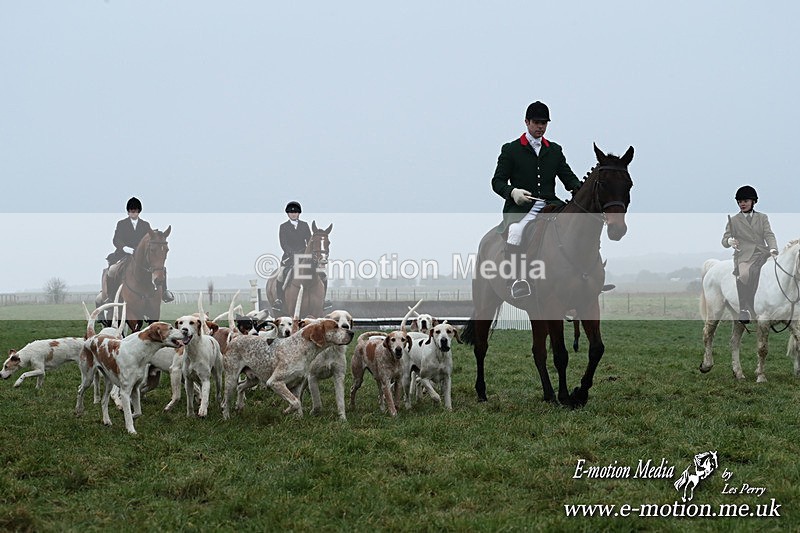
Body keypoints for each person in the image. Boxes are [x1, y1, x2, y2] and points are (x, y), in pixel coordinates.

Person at [491, 101, 582, 298]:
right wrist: (513, 192)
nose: (541, 126)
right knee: (516, 231)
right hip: (521, 207)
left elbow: (568, 178)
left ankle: (582, 275)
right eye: (536, 122)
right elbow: (497, 181)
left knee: (576, 226)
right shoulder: (511, 149)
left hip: (550, 204)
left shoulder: (555, 150)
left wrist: (582, 189)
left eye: (544, 123)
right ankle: (517, 279)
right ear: (527, 122)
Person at [722, 185, 778, 324]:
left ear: (753, 201)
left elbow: (768, 234)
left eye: (745, 201)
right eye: (740, 201)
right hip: (745, 256)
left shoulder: (762, 217)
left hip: (762, 253)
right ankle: (744, 309)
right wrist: (730, 241)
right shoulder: (734, 220)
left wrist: (773, 249)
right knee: (745, 274)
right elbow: (724, 240)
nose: (742, 204)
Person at [101, 197, 174, 304]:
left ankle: (164, 292)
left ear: (139, 211)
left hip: (141, 256)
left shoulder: (145, 225)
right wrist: (125, 248)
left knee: (161, 269)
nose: (133, 212)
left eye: (135, 210)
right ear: (128, 211)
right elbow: (116, 239)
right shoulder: (121, 224)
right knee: (112, 270)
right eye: (131, 210)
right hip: (124, 254)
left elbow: (149, 239)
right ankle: (111, 296)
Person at [273, 201, 312, 311]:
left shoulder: (304, 225)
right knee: (280, 275)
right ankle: (279, 300)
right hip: (289, 257)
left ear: (299, 213)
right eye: (291, 212)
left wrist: (307, 253)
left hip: (304, 255)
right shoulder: (283, 227)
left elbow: (309, 241)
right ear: (288, 214)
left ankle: (322, 299)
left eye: (295, 212)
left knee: (321, 273)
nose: (293, 214)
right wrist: (292, 253)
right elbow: (283, 243)